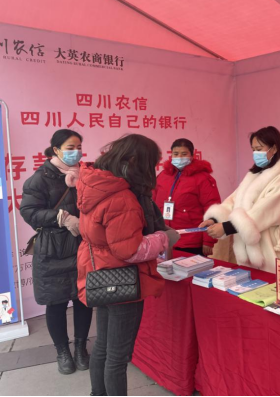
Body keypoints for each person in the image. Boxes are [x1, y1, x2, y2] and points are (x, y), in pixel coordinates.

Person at [76, 134, 180, 397]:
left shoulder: (96, 185)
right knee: (117, 357)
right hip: (122, 282)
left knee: (103, 346)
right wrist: (163, 238)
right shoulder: (122, 198)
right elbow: (129, 250)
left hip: (100, 276)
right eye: (151, 164)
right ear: (135, 161)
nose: (152, 171)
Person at [20, 129, 93, 375]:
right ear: (56, 150)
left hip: (83, 246)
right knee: (56, 302)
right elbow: (29, 212)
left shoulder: (86, 174)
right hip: (53, 251)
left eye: (79, 147)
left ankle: (81, 348)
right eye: (70, 147)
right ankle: (62, 351)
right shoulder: (39, 179)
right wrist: (62, 217)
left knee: (83, 300)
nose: (76, 152)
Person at [200, 126, 280, 273]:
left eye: (259, 149)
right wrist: (215, 219)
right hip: (252, 254)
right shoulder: (254, 176)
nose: (255, 154)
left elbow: (262, 213)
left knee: (273, 286)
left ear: (274, 148)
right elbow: (234, 201)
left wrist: (226, 227)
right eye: (253, 149)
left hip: (275, 253)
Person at [153, 139, 221, 257]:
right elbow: (152, 204)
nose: (179, 157)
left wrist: (208, 241)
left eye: (184, 154)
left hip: (190, 240)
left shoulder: (203, 178)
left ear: (192, 155)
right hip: (164, 238)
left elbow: (212, 209)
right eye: (176, 154)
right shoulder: (163, 176)